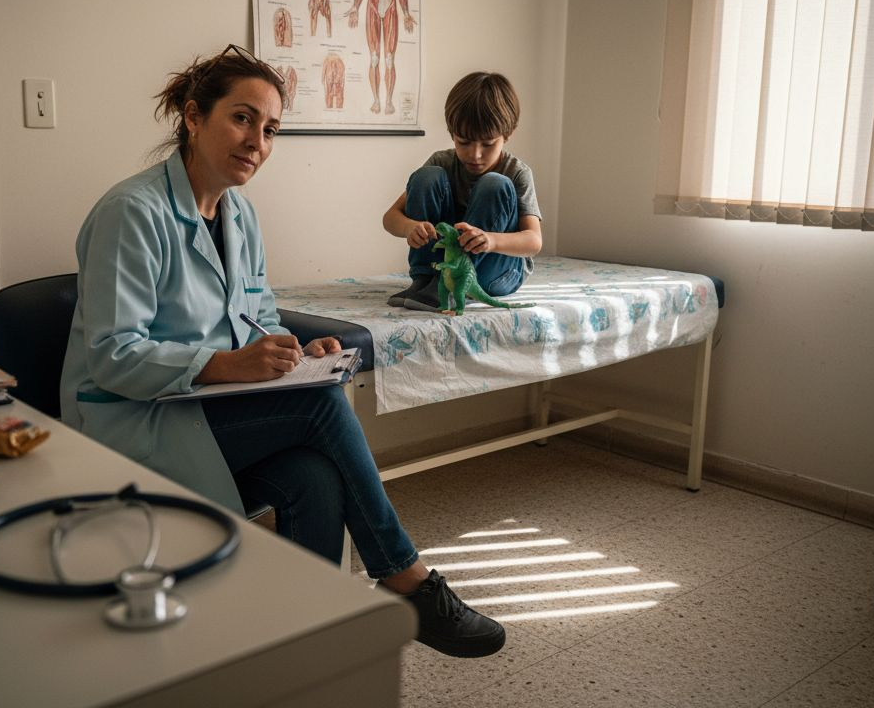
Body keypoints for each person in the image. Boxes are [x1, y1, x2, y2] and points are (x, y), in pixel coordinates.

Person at [59, 45, 505, 658]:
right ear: (193, 117)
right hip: (134, 418)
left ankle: (304, 648)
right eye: (242, 119)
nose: (257, 142)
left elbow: (256, 315)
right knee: (322, 407)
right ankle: (406, 578)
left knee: (313, 477)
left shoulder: (238, 213)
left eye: (270, 129)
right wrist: (224, 365)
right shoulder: (131, 214)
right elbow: (112, 355)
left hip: (207, 408)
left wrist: (292, 349)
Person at [383, 72, 543, 311]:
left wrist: (490, 241)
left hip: (496, 270)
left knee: (494, 183)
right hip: (443, 270)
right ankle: (427, 281)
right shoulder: (443, 162)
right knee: (427, 176)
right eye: (464, 142)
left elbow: (533, 241)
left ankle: (442, 287)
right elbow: (390, 218)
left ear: (508, 134)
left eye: (488, 144)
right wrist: (410, 227)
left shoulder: (517, 172)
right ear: (451, 133)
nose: (475, 154)